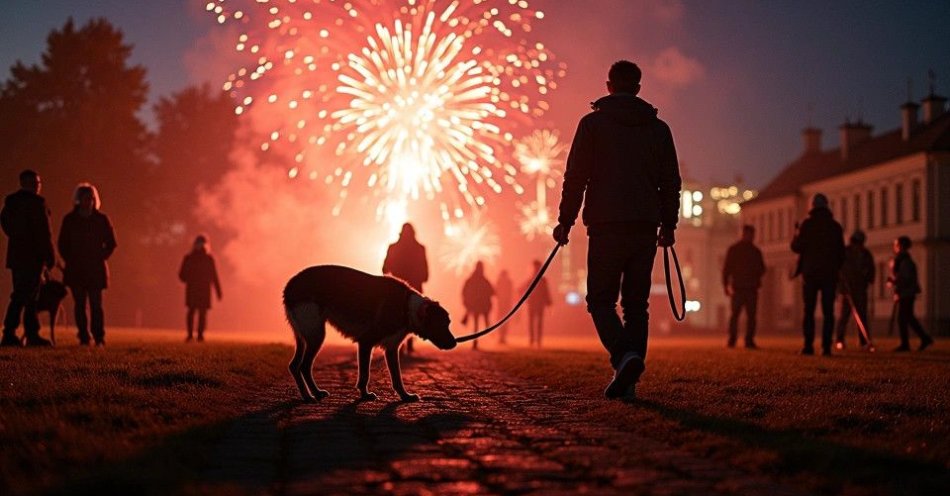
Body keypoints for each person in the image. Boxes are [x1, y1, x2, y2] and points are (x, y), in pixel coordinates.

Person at [552, 60, 682, 399]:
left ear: (609, 86)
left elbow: (575, 178)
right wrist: (669, 224)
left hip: (606, 225)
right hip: (644, 226)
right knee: (637, 305)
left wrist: (565, 221)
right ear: (638, 88)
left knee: (599, 300)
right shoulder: (659, 129)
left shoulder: (592, 125)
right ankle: (629, 377)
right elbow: (671, 182)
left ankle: (625, 357)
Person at [58, 183, 117, 346]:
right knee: (80, 304)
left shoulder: (102, 220)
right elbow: (62, 244)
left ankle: (99, 336)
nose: (88, 202)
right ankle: (83, 335)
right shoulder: (70, 220)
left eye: (91, 198)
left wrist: (101, 257)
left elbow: (111, 243)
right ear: (79, 200)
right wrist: (71, 259)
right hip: (76, 269)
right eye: (85, 198)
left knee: (96, 305)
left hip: (95, 269)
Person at [1, 170, 55, 347]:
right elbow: (44, 233)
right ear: (27, 183)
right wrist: (49, 256)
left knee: (25, 295)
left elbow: (5, 224)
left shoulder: (11, 202)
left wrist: (17, 238)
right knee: (26, 295)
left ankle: (27, 333)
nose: (38, 186)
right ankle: (13, 332)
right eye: (36, 182)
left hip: (17, 256)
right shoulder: (38, 203)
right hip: (34, 257)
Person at [790, 193, 844, 356]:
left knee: (809, 311)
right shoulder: (835, 226)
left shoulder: (807, 225)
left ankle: (808, 346)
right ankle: (826, 347)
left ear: (812, 207)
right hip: (829, 274)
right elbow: (841, 253)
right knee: (828, 312)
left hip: (810, 274)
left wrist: (796, 233)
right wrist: (836, 269)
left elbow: (796, 247)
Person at [382, 223, 429, 354]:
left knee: (397, 314)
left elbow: (385, 267)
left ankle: (398, 342)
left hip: (397, 287)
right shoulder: (420, 248)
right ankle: (409, 343)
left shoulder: (393, 247)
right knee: (414, 313)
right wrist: (424, 277)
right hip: (414, 286)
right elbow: (424, 268)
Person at [721, 225, 766, 349]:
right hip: (746, 288)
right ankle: (746, 340)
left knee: (739, 315)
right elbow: (762, 269)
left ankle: (736, 340)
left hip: (742, 287)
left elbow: (726, 269)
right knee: (745, 315)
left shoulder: (736, 250)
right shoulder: (754, 251)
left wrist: (726, 285)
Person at [888, 236, 933, 352]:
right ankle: (922, 338)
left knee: (904, 318)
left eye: (896, 245)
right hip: (905, 293)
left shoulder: (905, 261)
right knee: (908, 318)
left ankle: (908, 343)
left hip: (907, 293)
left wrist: (894, 281)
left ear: (901, 246)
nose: (895, 248)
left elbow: (906, 278)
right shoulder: (902, 260)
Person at [835, 230, 875, 350]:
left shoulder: (866, 254)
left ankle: (863, 341)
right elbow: (838, 271)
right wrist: (841, 287)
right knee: (844, 317)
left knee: (862, 316)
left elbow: (871, 270)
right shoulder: (844, 253)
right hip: (846, 290)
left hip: (860, 290)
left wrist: (867, 280)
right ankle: (839, 340)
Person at [178, 235, 222, 342]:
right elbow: (182, 275)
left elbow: (214, 276)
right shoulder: (189, 258)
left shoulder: (208, 259)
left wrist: (218, 291)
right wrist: (188, 279)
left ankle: (200, 335)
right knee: (192, 311)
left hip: (202, 290)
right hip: (195, 289)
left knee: (201, 313)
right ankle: (190, 334)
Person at [461, 261, 494, 351]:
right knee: (482, 322)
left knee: (475, 325)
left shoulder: (471, 279)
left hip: (474, 305)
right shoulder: (484, 280)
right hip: (481, 305)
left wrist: (467, 303)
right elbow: (492, 291)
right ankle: (481, 336)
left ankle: (475, 342)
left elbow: (464, 292)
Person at [525, 259, 552, 348]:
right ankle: (533, 339)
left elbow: (546, 291)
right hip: (533, 303)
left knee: (537, 322)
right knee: (532, 322)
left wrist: (549, 302)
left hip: (539, 303)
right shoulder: (534, 278)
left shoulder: (540, 279)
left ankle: (537, 339)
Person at [494, 269, 513, 345]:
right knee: (504, 321)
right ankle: (502, 337)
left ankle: (502, 337)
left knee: (502, 321)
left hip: (502, 304)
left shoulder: (500, 282)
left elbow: (495, 292)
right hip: (503, 304)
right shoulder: (508, 282)